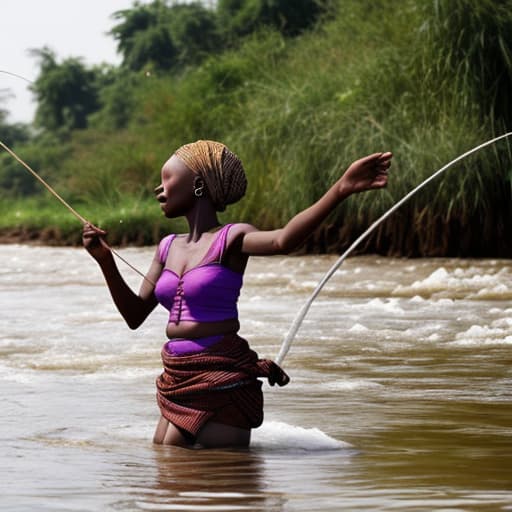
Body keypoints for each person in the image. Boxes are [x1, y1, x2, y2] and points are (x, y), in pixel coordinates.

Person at [82, 140, 392, 449]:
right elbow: (135, 316)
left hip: (219, 381)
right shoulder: (167, 246)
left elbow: (283, 241)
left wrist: (341, 188)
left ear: (198, 185)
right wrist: (105, 261)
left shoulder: (232, 237)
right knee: (165, 462)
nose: (158, 189)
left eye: (167, 178)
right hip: (178, 378)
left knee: (201, 478)